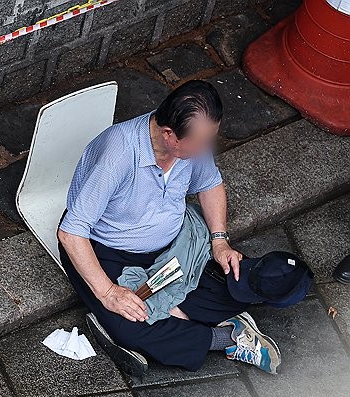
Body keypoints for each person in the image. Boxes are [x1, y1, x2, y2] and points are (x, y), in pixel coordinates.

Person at [57, 79, 305, 379]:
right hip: (109, 249)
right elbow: (71, 232)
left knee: (234, 278)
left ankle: (165, 320)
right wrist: (109, 293)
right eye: (199, 143)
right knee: (132, 320)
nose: (206, 149)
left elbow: (210, 183)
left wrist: (219, 240)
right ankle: (226, 337)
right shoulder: (118, 154)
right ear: (168, 134)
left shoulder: (190, 145)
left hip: (172, 243)